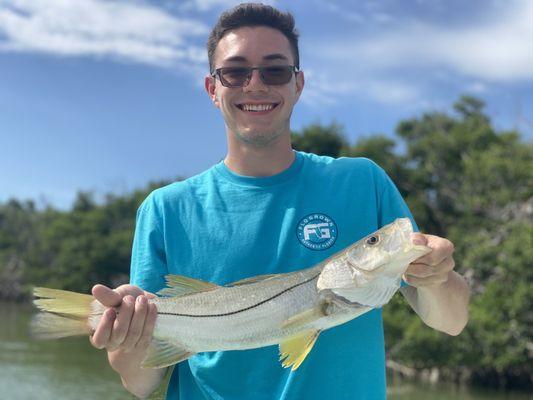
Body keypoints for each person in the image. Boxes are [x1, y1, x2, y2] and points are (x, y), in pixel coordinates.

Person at [89, 3, 470, 399]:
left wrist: (438, 278)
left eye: (275, 70)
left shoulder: (362, 181)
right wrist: (126, 337)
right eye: (235, 72)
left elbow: (452, 321)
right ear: (212, 89)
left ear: (298, 84)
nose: (255, 85)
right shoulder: (165, 209)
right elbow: (139, 383)